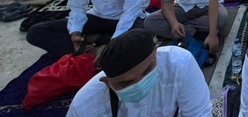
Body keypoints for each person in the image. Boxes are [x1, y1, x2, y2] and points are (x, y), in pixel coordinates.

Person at [68, 29, 211, 116]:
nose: (140, 84)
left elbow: (199, 113)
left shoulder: (179, 64)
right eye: (126, 83)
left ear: (156, 52)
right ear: (107, 82)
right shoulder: (84, 106)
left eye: (147, 71)